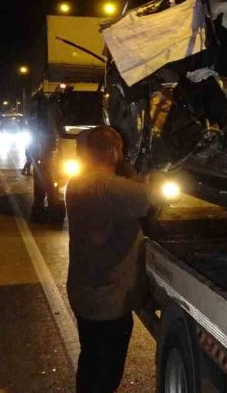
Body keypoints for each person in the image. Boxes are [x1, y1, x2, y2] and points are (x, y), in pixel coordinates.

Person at [65, 126, 154, 392]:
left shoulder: (77, 183)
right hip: (108, 301)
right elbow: (152, 200)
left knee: (91, 363)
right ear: (114, 152)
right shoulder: (110, 187)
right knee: (106, 373)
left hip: (85, 294)